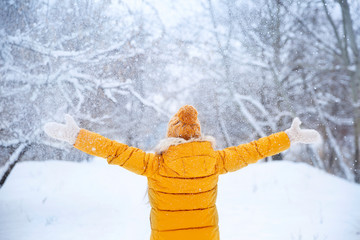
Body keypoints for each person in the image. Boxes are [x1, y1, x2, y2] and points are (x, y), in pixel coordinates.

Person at [44, 105, 320, 240]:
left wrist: (76, 136)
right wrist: (289, 137)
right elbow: (255, 150)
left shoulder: (154, 163)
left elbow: (113, 150)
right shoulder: (215, 160)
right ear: (198, 134)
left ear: (170, 136)